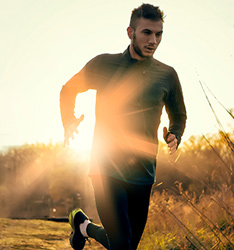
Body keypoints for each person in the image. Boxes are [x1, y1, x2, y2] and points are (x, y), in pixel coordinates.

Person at [59, 3, 187, 250]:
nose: (154, 40)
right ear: (130, 33)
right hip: (106, 166)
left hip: (144, 171)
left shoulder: (167, 75)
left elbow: (179, 114)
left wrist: (175, 134)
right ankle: (85, 226)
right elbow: (68, 89)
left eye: (158, 34)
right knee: (122, 243)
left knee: (125, 244)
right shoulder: (103, 65)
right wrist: (69, 121)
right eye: (146, 33)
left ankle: (83, 226)